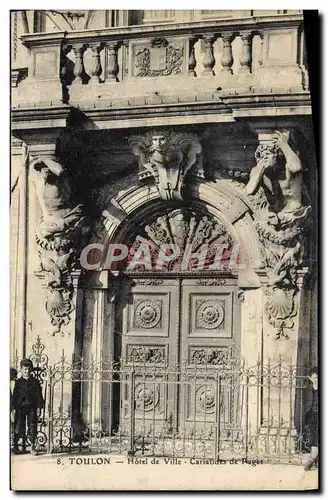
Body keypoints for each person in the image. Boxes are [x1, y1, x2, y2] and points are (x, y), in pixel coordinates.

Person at [12, 359, 44, 455]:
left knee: (32, 426)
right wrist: (13, 408)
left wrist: (39, 407)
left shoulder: (35, 382)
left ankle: (32, 446)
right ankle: (17, 446)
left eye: (29, 369)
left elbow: (39, 395)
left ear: (31, 370)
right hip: (20, 408)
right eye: (25, 369)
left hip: (31, 408)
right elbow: (14, 396)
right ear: (21, 370)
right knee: (18, 426)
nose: (27, 371)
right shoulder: (18, 382)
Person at [304, 367, 319, 471]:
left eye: (318, 377)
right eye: (315, 377)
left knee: (317, 437)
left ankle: (312, 458)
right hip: (311, 416)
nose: (317, 379)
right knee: (314, 436)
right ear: (310, 378)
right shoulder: (308, 389)